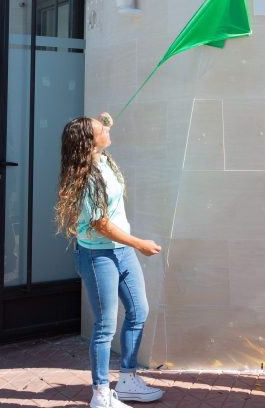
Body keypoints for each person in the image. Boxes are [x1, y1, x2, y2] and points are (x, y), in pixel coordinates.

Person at [55, 112, 165, 408]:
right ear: (90, 142)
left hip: (121, 251)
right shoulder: (87, 177)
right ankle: (101, 395)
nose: (106, 128)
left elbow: (98, 132)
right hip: (98, 255)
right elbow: (101, 224)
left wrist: (101, 126)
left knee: (139, 310)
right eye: (100, 128)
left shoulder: (101, 160)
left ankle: (128, 379)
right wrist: (139, 244)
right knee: (105, 326)